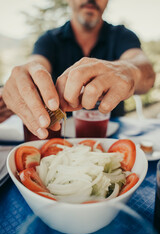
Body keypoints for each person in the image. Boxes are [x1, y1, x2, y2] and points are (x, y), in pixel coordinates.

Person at [2, 0, 155, 139]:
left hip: (113, 138)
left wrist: (128, 70)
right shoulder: (49, 40)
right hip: (56, 138)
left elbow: (146, 73)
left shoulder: (122, 36)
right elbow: (36, 64)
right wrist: (24, 80)